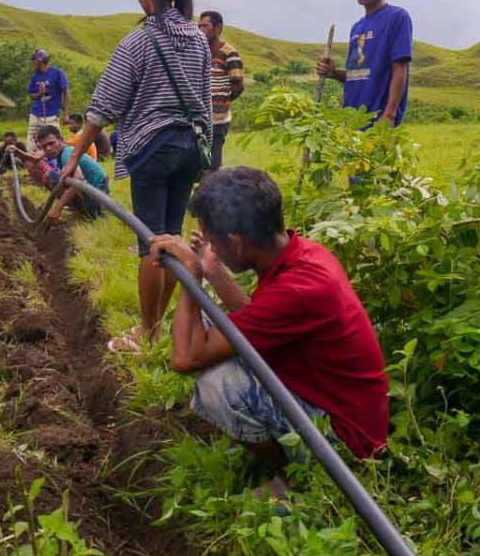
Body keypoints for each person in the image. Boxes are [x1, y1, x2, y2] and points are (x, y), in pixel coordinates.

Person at [149, 167, 389, 500]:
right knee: (206, 326)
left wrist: (193, 275)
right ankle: (284, 450)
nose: (210, 250)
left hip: (346, 442)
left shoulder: (298, 289)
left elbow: (185, 357)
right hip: (330, 396)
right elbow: (257, 317)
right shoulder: (301, 254)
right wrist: (215, 272)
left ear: (237, 242)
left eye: (214, 243)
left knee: (217, 387)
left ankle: (297, 478)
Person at [61, 0, 210, 352]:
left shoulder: (140, 40)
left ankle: (147, 333)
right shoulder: (196, 37)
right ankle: (159, 328)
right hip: (190, 148)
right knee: (172, 237)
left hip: (154, 148)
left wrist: (74, 158)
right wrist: (207, 157)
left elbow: (102, 107)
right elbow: (206, 103)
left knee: (150, 242)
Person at [316, 0, 412, 128]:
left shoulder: (397, 18)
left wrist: (389, 116)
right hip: (351, 123)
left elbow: (400, 70)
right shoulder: (357, 28)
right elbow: (359, 75)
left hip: (377, 124)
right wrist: (334, 73)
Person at [10, 125, 108, 221]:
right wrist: (17, 151)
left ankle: (84, 211)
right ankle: (79, 209)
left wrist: (57, 208)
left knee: (51, 176)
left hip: (96, 192)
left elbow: (78, 179)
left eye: (51, 143)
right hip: (90, 188)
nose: (48, 148)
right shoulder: (57, 149)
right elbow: (36, 159)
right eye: (44, 146)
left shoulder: (66, 154)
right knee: (51, 176)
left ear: (61, 140)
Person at [198, 11, 244, 169]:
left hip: (218, 120)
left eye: (205, 26)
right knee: (195, 165)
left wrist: (221, 102)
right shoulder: (198, 52)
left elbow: (238, 86)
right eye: (199, 26)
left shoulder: (229, 53)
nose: (201, 29)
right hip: (198, 119)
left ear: (218, 27)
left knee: (213, 165)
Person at [27, 49, 69, 153]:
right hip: (36, 114)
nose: (32, 62)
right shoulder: (35, 76)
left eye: (34, 60)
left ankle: (59, 165)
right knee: (32, 145)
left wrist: (66, 114)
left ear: (40, 61)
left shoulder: (57, 73)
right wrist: (40, 93)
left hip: (51, 115)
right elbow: (32, 96)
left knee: (56, 144)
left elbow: (66, 92)